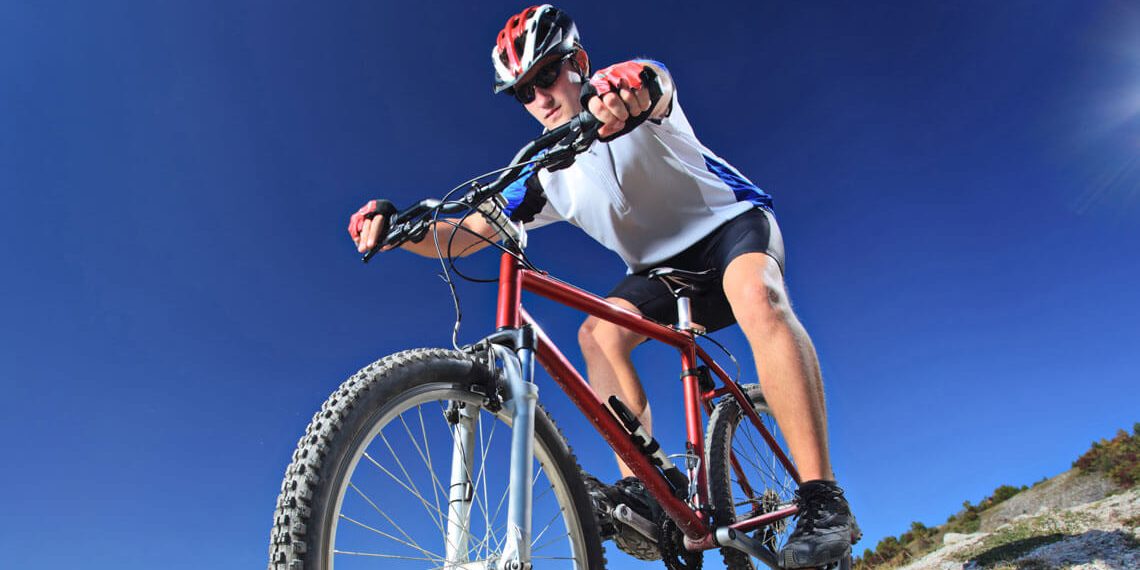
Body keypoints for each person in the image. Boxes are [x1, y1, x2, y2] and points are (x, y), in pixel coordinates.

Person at [348, 4, 857, 568]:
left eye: (547, 74)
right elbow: (469, 232)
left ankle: (822, 500)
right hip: (658, 273)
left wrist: (631, 87)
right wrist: (396, 232)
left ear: (579, 63)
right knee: (597, 335)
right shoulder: (544, 173)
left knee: (757, 295)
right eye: (523, 92)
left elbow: (653, 82)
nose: (540, 96)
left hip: (730, 227)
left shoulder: (623, 100)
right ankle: (646, 487)